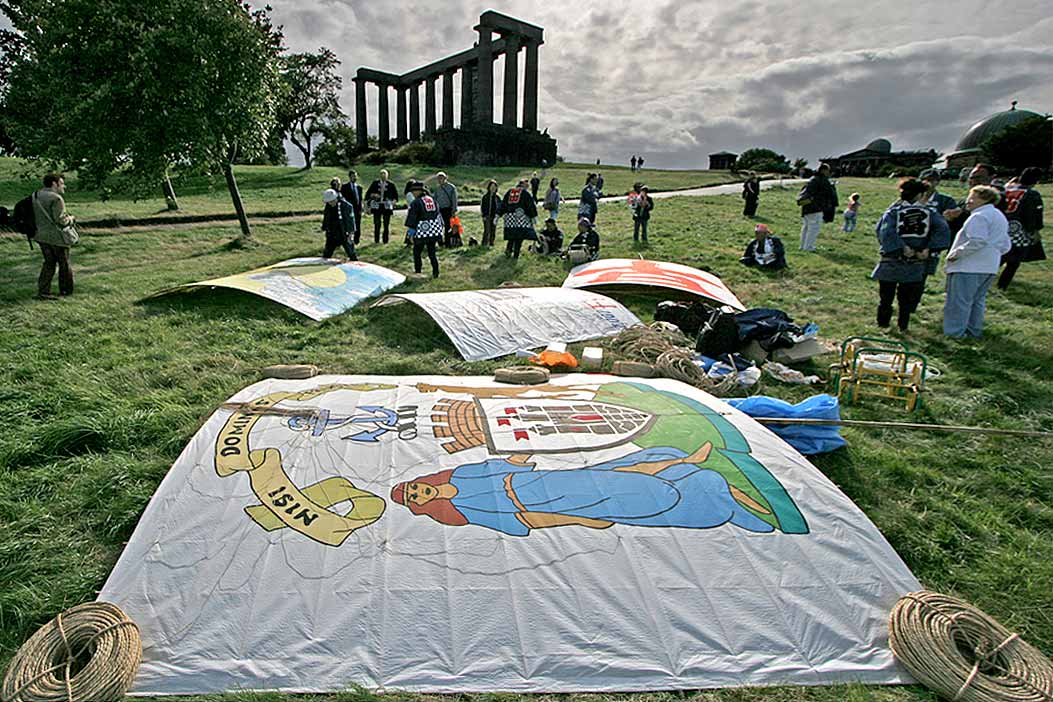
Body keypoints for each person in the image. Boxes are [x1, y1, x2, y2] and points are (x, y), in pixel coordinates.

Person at [389, 443, 775, 536]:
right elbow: (527, 522)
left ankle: (682, 463)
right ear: (422, 508)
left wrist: (523, 450)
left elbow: (505, 463)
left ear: (424, 483)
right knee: (634, 495)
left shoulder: (461, 476)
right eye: (415, 500)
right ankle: (706, 490)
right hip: (549, 498)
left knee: (619, 470)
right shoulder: (464, 514)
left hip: (548, 480)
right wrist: (577, 521)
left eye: (416, 489)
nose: (420, 494)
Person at [871, 178, 944, 331]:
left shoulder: (893, 212)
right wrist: (927, 249)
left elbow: (884, 232)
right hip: (913, 260)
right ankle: (902, 325)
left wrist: (902, 247)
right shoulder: (930, 213)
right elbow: (941, 231)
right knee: (905, 299)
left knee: (886, 297)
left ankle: (883, 324)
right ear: (920, 195)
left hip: (893, 259)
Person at [943, 185, 1011, 338]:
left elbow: (977, 241)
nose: (968, 201)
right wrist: (992, 255)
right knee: (977, 301)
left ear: (985, 199)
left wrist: (956, 253)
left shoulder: (978, 216)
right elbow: (1006, 245)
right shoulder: (1000, 216)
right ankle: (974, 330)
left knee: (959, 301)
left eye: (973, 198)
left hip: (969, 266)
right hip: (989, 267)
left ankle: (955, 333)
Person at [997, 167, 1045, 290]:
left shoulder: (1007, 190)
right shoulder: (1032, 194)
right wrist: (1034, 230)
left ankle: (986, 277)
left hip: (1003, 226)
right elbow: (1032, 214)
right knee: (1014, 260)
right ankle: (1002, 285)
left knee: (1001, 255)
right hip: (1019, 229)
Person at [32, 173, 76, 299]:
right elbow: (61, 220)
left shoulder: (36, 195)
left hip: (41, 235)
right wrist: (71, 219)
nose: (64, 186)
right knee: (64, 263)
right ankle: (65, 291)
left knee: (49, 263)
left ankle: (43, 291)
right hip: (57, 237)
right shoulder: (56, 198)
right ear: (54, 184)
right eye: (61, 183)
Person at [404, 180, 443, 278]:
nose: (412, 193)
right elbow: (438, 215)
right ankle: (436, 272)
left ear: (418, 191)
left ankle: (418, 271)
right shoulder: (432, 200)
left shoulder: (416, 203)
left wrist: (411, 234)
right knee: (432, 252)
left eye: (413, 191)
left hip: (422, 231)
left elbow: (412, 219)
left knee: (417, 252)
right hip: (434, 230)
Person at [797, 163, 838, 251]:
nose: (829, 173)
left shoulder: (812, 179)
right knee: (814, 228)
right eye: (828, 170)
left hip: (807, 206)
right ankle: (809, 247)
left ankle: (802, 246)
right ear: (823, 170)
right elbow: (829, 193)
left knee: (806, 227)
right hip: (816, 207)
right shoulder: (822, 180)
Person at [501, 178, 538, 260]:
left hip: (509, 219)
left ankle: (508, 251)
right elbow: (530, 205)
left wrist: (499, 214)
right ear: (523, 184)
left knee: (511, 236)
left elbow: (503, 204)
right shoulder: (525, 193)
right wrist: (533, 216)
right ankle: (515, 255)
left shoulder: (509, 192)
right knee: (519, 237)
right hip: (521, 219)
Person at [320, 188, 357, 260]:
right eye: (329, 202)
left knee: (351, 252)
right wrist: (325, 227)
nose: (330, 203)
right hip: (332, 233)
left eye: (332, 201)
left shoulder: (346, 206)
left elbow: (350, 220)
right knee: (327, 253)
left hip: (344, 233)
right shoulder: (328, 206)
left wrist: (351, 233)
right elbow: (326, 217)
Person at [365, 169, 398, 244]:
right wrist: (373, 196)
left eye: (385, 174)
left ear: (387, 175)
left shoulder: (391, 184)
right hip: (377, 206)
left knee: (386, 224)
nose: (383, 176)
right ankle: (376, 240)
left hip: (387, 206)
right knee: (377, 223)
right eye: (382, 174)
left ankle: (385, 240)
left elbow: (395, 197)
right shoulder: (375, 183)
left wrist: (392, 203)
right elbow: (368, 194)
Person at [432, 171, 459, 247]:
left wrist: (454, 210)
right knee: (438, 227)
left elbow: (454, 200)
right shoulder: (437, 188)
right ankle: (440, 243)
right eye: (438, 178)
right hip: (439, 210)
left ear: (445, 178)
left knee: (448, 227)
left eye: (441, 178)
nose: (440, 180)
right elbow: (435, 199)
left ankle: (448, 243)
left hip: (448, 210)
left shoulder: (451, 187)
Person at [339, 169, 363, 244]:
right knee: (349, 225)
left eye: (355, 176)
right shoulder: (345, 187)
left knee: (358, 225)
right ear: (349, 177)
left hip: (357, 210)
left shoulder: (359, 188)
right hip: (348, 210)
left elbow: (360, 199)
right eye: (353, 176)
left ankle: (357, 240)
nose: (355, 178)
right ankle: (348, 240)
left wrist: (361, 208)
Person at [480, 179, 501, 247]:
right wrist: (483, 216)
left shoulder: (497, 197)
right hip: (487, 216)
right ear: (489, 187)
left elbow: (500, 207)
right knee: (487, 230)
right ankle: (484, 243)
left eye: (494, 187)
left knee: (493, 230)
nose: (493, 188)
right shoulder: (485, 197)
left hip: (494, 216)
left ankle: (491, 243)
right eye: (491, 187)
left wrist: (498, 215)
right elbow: (482, 207)